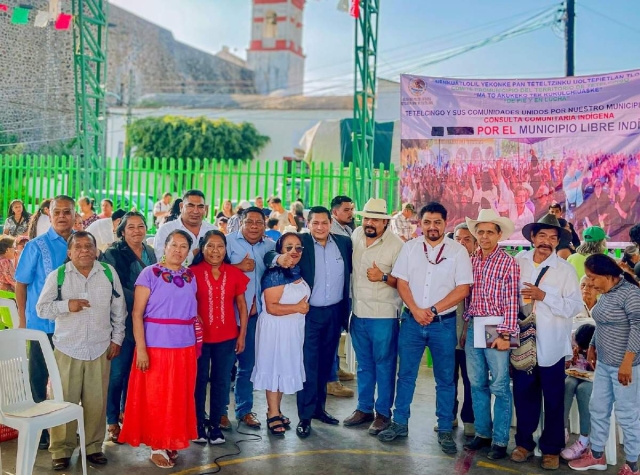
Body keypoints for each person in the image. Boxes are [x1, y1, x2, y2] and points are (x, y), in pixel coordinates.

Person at [379, 202, 473, 455]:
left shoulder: (458, 251)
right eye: (427, 222)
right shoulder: (410, 248)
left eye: (437, 222)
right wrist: (417, 311)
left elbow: (462, 289)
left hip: (442, 324)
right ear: (420, 223)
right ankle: (399, 423)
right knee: (406, 375)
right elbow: (402, 283)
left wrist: (431, 311)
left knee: (445, 379)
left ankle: (444, 429)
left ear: (445, 223)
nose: (432, 227)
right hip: (412, 322)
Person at [36, 231, 126, 470]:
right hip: (67, 347)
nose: (85, 250)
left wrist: (117, 339)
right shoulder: (59, 276)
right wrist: (67, 305)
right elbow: (42, 309)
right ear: (70, 252)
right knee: (63, 401)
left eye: (89, 246)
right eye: (79, 247)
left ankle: (94, 447)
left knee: (97, 402)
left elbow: (119, 309)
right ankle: (61, 450)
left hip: (100, 348)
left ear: (96, 250)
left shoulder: (107, 273)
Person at [265, 206, 352, 438]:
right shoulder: (300, 241)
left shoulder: (344, 243)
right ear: (309, 224)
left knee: (326, 365)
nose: (320, 227)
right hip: (308, 314)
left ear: (330, 222)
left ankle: (319, 410)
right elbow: (269, 254)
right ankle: (304, 417)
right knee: (308, 366)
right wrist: (278, 258)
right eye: (315, 223)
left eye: (324, 223)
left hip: (334, 313)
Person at [119, 230, 198, 469]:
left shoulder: (189, 276)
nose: (178, 250)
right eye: (174, 245)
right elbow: (136, 314)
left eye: (184, 246)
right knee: (157, 397)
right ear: (164, 247)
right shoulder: (150, 273)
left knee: (178, 396)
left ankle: (170, 440)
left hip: (184, 347)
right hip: (156, 346)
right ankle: (157, 445)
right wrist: (141, 349)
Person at [510, 214, 582, 470]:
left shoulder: (565, 270)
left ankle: (551, 449)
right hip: (523, 344)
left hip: (552, 345)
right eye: (542, 236)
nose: (547, 242)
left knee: (553, 399)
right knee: (524, 395)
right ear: (532, 237)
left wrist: (544, 296)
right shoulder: (519, 262)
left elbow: (575, 307)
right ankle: (524, 444)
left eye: (553, 238)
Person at [569, 254, 640, 475]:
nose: (589, 282)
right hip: (604, 365)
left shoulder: (631, 294)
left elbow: (638, 327)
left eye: (592, 277)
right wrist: (592, 344)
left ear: (608, 275)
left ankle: (633, 465)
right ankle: (597, 455)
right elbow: (600, 322)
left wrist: (627, 362)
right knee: (598, 409)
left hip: (626, 367)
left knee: (627, 415)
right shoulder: (606, 294)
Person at [14, 195, 76, 451]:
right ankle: (38, 430)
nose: (62, 216)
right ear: (49, 215)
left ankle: (63, 432)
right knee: (38, 378)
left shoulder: (82, 245)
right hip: (40, 325)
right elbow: (21, 283)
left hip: (71, 326)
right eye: (57, 212)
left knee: (66, 381)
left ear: (75, 215)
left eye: (67, 212)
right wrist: (22, 319)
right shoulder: (35, 246)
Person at [462, 208, 519, 460]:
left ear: (499, 235)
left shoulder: (508, 262)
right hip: (476, 322)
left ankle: (499, 440)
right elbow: (468, 298)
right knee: (476, 383)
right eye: (480, 232)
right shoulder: (471, 260)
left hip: (497, 325)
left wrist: (506, 334)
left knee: (499, 385)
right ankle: (483, 433)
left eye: (489, 232)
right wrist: (467, 327)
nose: (484, 236)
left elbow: (511, 302)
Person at [342, 199, 404, 436]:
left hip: (384, 316)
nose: (369, 223)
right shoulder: (357, 234)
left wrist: (383, 276)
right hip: (358, 313)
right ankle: (364, 409)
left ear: (385, 222)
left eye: (375, 219)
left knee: (385, 366)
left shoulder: (396, 245)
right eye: (367, 218)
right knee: (364, 366)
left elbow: (404, 282)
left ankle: (383, 414)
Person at [100, 211, 157, 444]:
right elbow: (112, 287)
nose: (137, 231)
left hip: (146, 322)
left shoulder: (150, 252)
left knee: (135, 375)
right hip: (121, 322)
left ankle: (128, 415)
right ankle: (112, 420)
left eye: (141, 226)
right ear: (122, 231)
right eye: (131, 227)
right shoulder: (113, 254)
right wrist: (144, 300)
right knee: (117, 374)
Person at [190, 230, 249, 445]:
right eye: (210, 246)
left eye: (220, 246)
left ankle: (215, 427)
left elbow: (242, 306)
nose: (215, 251)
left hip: (227, 338)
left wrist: (242, 335)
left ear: (226, 249)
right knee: (198, 382)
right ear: (202, 248)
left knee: (221, 382)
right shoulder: (192, 273)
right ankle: (197, 426)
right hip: (198, 340)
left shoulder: (234, 274)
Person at [252, 232, 310, 436]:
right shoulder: (275, 273)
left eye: (298, 248)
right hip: (275, 330)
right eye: (289, 247)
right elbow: (271, 307)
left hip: (291, 330)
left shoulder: (297, 271)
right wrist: (297, 308)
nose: (294, 251)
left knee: (283, 369)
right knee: (274, 369)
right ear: (280, 250)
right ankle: (272, 413)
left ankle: (276, 409)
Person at [225, 207, 277, 430]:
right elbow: (212, 268)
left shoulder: (270, 246)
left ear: (265, 225)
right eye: (250, 222)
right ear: (241, 223)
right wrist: (238, 267)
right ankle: (218, 413)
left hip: (256, 316)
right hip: (227, 315)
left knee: (248, 365)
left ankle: (244, 411)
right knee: (223, 367)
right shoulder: (227, 242)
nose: (254, 226)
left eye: (259, 222)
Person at [327, 194, 356, 395]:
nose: (351, 213)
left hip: (344, 291)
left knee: (336, 334)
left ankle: (335, 368)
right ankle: (330, 380)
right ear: (334, 212)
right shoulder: (333, 233)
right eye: (346, 210)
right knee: (330, 336)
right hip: (333, 294)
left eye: (351, 209)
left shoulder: (346, 229)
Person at [450, 223, 477, 437]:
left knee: (471, 380)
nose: (461, 243)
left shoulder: (479, 266)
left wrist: (468, 328)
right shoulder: (445, 265)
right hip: (448, 334)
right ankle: (448, 416)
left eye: (467, 239)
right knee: (447, 378)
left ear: (475, 243)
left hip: (471, 335)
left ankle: (470, 419)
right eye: (458, 238)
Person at [561, 323, 596, 462]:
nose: (581, 349)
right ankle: (561, 430)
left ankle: (584, 440)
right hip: (575, 374)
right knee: (567, 385)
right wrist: (569, 361)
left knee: (583, 391)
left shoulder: (599, 343)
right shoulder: (573, 338)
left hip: (594, 378)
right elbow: (565, 362)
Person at [153, 190, 217, 265]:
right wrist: (192, 255)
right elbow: (161, 262)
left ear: (205, 209)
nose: (195, 211)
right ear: (181, 206)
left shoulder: (213, 230)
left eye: (200, 207)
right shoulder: (166, 230)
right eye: (190, 206)